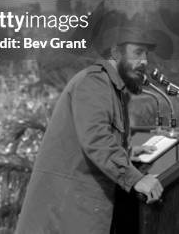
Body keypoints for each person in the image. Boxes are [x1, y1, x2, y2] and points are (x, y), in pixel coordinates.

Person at [15, 26, 163, 234]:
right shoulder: (93, 83)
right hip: (66, 212)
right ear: (115, 53)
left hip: (77, 210)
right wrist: (136, 179)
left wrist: (128, 152)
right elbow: (96, 140)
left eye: (146, 54)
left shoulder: (113, 88)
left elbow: (98, 139)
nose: (145, 61)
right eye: (137, 52)